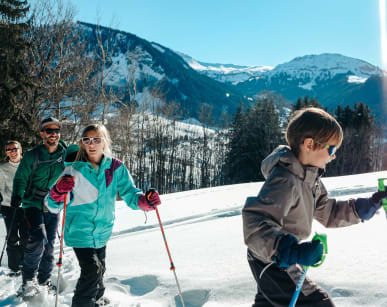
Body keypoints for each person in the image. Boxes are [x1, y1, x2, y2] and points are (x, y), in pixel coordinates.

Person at [242, 107, 387, 307]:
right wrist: (289, 251)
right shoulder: (286, 180)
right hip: (272, 260)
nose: (333, 156)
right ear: (309, 144)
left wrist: (366, 206)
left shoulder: (310, 180)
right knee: (319, 304)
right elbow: (255, 223)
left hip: (278, 259)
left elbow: (328, 212)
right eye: (331, 149)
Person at [46, 123, 161, 307]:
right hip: (79, 231)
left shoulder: (115, 168)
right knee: (92, 271)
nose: (91, 144)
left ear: (104, 142)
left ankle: (97, 300)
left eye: (96, 140)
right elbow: (52, 205)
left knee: (99, 271)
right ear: (82, 144)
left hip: (102, 231)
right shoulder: (73, 170)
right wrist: (58, 190)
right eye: (87, 140)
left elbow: (131, 193)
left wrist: (145, 202)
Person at [11, 117, 67, 296]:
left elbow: (77, 162)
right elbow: (20, 178)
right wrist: (17, 195)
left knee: (50, 245)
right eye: (49, 130)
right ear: (42, 133)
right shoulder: (32, 155)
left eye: (56, 130)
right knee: (37, 239)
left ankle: (44, 280)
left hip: (53, 203)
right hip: (32, 203)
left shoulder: (64, 153)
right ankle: (28, 281)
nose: (53, 134)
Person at [0, 141, 28, 276]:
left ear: (20, 149)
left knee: (25, 236)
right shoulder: (2, 168)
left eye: (15, 148)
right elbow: (1, 188)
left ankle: (24, 264)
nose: (12, 151)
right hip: (9, 206)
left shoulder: (28, 165)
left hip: (26, 206)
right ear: (6, 152)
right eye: (9, 149)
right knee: (12, 237)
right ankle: (13, 267)